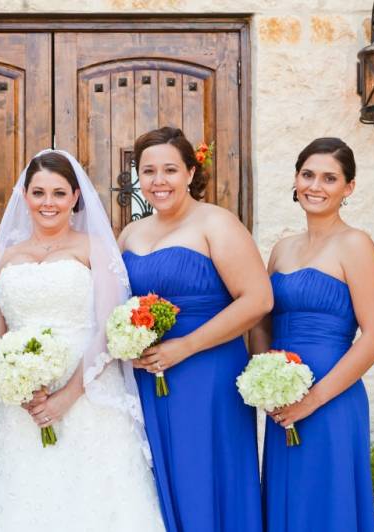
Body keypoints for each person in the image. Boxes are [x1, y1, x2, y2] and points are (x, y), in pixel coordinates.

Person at [0, 150, 164, 532]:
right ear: (25, 196)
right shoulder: (5, 255)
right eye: (38, 193)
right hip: (23, 408)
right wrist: (20, 388)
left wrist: (68, 396)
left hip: (89, 398)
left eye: (58, 193)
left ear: (75, 197)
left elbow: (110, 328)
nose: (48, 203)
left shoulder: (95, 249)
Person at [119, 126, 271, 531]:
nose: (158, 180)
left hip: (208, 371)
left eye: (170, 169)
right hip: (150, 375)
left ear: (190, 172)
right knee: (159, 477)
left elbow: (258, 299)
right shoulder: (130, 233)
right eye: (148, 171)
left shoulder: (216, 223)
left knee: (203, 473)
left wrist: (184, 346)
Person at [251, 137, 374, 532]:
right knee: (287, 497)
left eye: (330, 178)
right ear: (295, 180)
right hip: (283, 398)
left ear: (349, 188)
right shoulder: (282, 249)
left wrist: (311, 401)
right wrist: (265, 382)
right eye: (308, 174)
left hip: (331, 398)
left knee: (327, 501)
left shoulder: (356, 244)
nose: (315, 186)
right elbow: (262, 319)